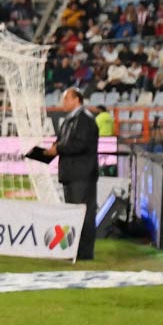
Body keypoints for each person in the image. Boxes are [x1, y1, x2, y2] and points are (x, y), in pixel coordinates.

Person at [46, 87, 99, 260]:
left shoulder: (84, 119)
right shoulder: (70, 119)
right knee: (74, 213)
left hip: (82, 175)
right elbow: (63, 141)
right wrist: (49, 151)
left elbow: (80, 144)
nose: (64, 102)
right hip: (71, 174)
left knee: (83, 213)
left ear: (77, 100)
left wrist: (58, 148)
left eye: (67, 99)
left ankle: (84, 252)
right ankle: (74, 250)